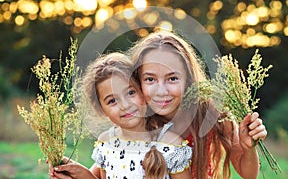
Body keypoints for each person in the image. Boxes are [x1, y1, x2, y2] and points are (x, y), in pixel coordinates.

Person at [128, 30, 267, 179]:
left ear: (188, 79)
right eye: (150, 79)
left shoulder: (213, 113)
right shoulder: (133, 121)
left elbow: (248, 174)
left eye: (172, 78)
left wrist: (249, 149)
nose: (161, 91)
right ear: (138, 81)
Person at [50, 52, 192, 179]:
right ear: (101, 110)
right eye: (112, 101)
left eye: (131, 93)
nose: (125, 105)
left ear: (142, 91)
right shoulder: (107, 143)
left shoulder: (171, 145)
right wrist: (80, 174)